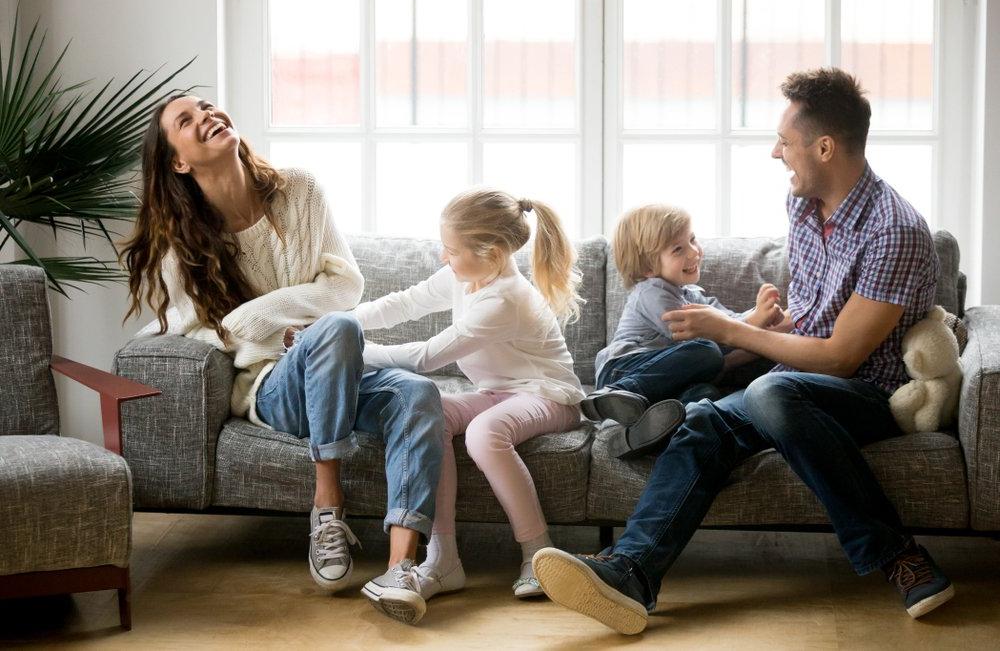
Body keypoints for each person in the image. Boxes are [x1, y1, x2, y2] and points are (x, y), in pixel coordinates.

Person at [533, 67, 953, 635]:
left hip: (866, 395)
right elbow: (812, 315)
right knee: (702, 421)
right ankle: (630, 574)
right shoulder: (805, 209)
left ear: (824, 147)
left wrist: (730, 332)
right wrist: (769, 325)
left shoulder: (894, 230)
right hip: (788, 387)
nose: (775, 152)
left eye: (786, 141)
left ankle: (897, 553)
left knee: (772, 387)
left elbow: (841, 359)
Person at [121, 93, 445, 625]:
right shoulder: (179, 241)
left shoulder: (299, 190)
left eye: (206, 105)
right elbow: (186, 325)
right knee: (335, 329)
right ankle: (326, 506)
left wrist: (258, 313)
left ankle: (399, 569)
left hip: (336, 372)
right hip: (273, 388)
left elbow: (346, 284)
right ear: (178, 161)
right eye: (187, 119)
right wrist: (258, 335)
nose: (206, 115)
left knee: (418, 392)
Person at [351, 188, 584, 604]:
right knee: (428, 414)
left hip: (550, 396)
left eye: (451, 250)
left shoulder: (504, 299)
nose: (444, 257)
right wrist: (341, 323)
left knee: (483, 433)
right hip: (496, 392)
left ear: (492, 253)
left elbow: (424, 356)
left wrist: (352, 351)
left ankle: (538, 553)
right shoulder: (466, 276)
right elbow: (403, 305)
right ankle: (443, 561)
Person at [582, 203, 783, 458]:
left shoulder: (693, 295)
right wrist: (756, 321)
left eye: (692, 239)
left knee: (704, 397)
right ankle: (617, 394)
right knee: (706, 352)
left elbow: (729, 322)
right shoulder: (652, 291)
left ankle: (638, 436)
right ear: (648, 268)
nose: (694, 252)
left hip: (662, 385)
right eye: (678, 249)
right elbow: (707, 336)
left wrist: (760, 316)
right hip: (623, 370)